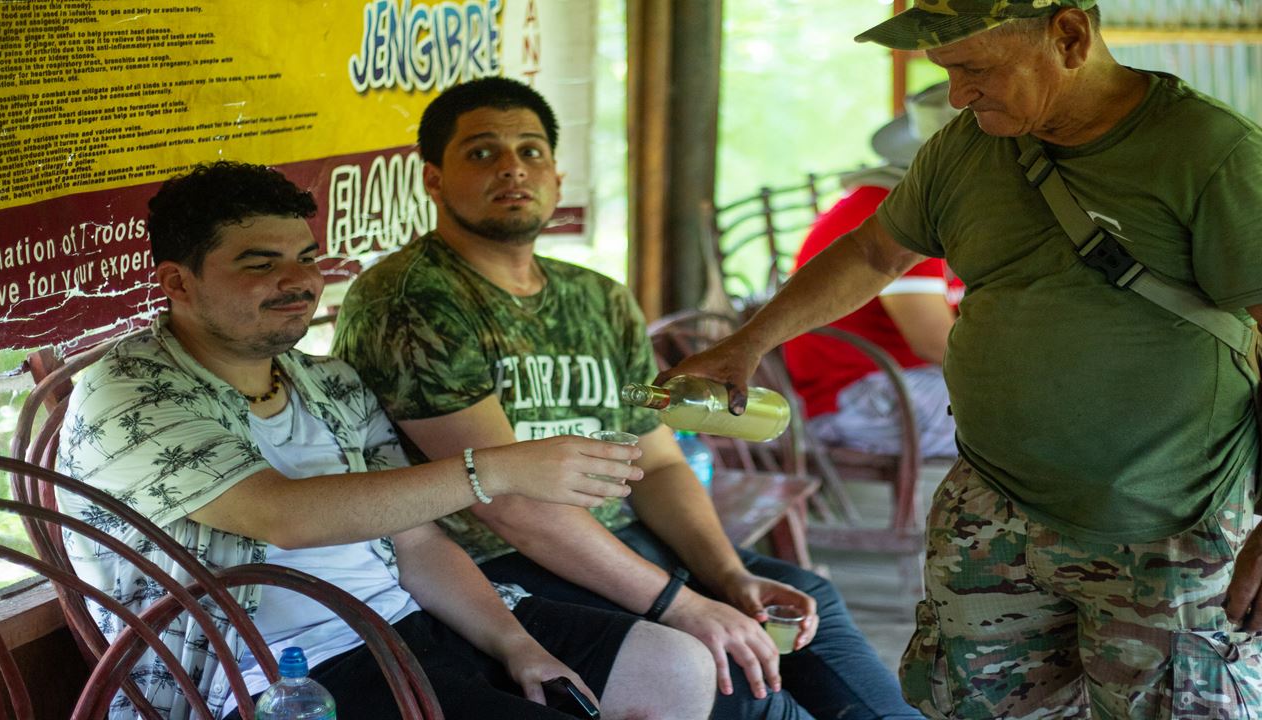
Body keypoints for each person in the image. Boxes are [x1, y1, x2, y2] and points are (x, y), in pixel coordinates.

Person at [658, 1, 1262, 717]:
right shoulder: (968, 147)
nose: (957, 95)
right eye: (946, 71)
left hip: (1168, 522)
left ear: (1067, 36)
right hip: (992, 510)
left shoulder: (1210, 152)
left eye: (975, 68)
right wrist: (745, 343)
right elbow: (876, 251)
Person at [332, 77, 923, 720]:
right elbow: (511, 506)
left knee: (799, 602)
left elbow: (659, 462)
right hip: (499, 565)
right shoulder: (411, 300)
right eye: (481, 153)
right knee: (745, 683)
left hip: (619, 541)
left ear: (557, 174)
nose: (512, 168)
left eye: (531, 151)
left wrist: (727, 577)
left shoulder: (598, 298)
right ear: (433, 180)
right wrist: (686, 605)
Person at [55, 161, 716, 720]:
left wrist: (515, 645)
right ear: (178, 282)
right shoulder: (127, 387)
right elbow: (282, 515)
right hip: (278, 677)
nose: (299, 282)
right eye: (261, 263)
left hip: (406, 622)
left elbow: (419, 541)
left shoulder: (329, 382)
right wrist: (497, 470)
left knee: (674, 665)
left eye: (306, 258)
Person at [785, 82, 962, 459]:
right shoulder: (896, 213)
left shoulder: (920, 205)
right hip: (857, 396)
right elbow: (935, 343)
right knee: (1037, 418)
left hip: (892, 382)